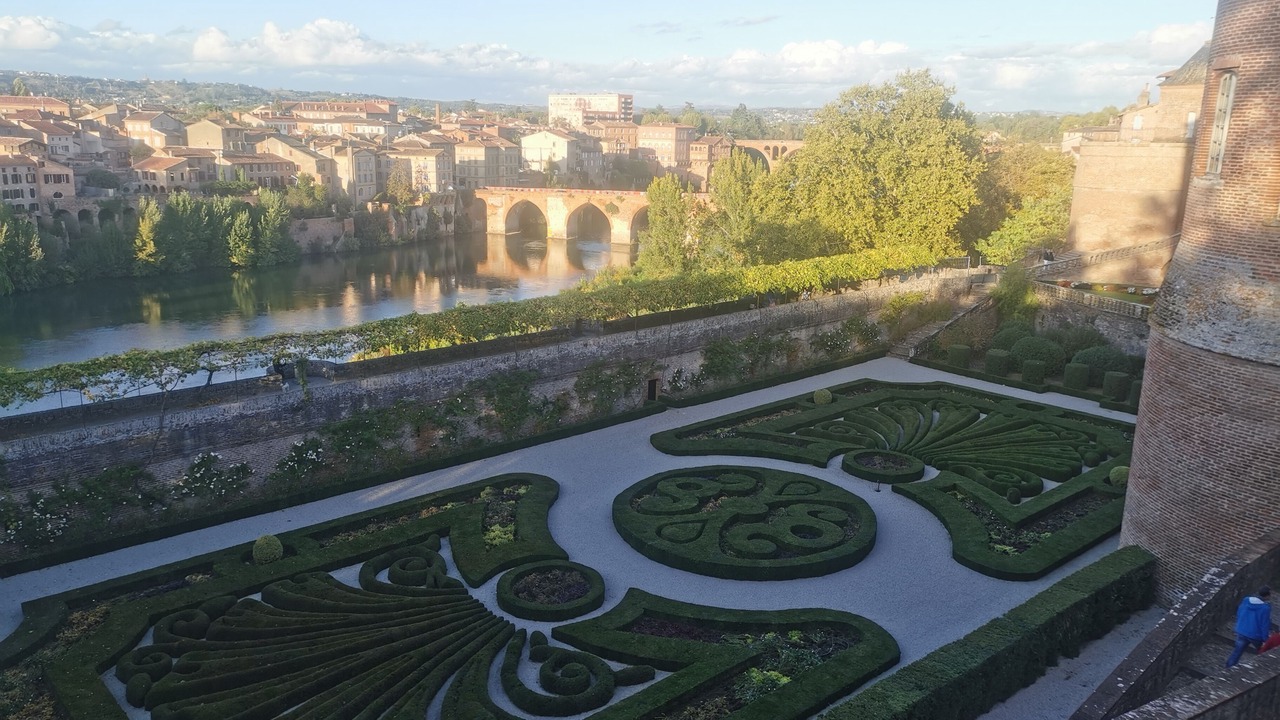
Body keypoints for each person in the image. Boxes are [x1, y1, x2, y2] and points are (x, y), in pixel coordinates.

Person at [1226, 586, 1273, 668]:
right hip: (1255, 635)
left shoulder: (1246, 600)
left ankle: (1228, 667)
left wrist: (1240, 624)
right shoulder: (1265, 608)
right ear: (1267, 596)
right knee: (1266, 651)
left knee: (1237, 652)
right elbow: (1264, 624)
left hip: (1242, 631)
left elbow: (1239, 612)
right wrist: (1266, 639)